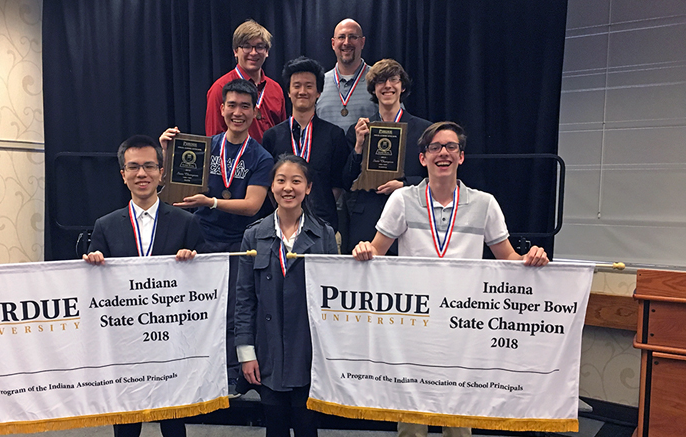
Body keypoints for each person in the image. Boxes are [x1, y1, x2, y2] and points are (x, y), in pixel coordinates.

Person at [352, 121, 549, 437]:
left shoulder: (484, 203)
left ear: (461, 157)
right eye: (435, 147)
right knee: (411, 427)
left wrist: (532, 258)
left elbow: (509, 258)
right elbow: (376, 251)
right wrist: (364, 249)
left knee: (458, 425)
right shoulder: (401, 201)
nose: (443, 153)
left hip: (462, 324)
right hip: (415, 323)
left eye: (451, 147)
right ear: (422, 158)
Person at [83, 135, 204, 437]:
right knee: (126, 419)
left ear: (162, 172)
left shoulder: (186, 222)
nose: (142, 174)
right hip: (125, 338)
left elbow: (203, 283)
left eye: (149, 166)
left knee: (173, 418)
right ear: (122, 174)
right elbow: (96, 290)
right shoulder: (105, 226)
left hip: (171, 335)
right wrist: (94, 263)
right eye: (133, 167)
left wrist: (194, 261)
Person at [161, 79, 273, 396]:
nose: (238, 112)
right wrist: (169, 153)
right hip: (202, 239)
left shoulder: (261, 157)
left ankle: (234, 376)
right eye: (232, 105)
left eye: (245, 106)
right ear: (222, 109)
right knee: (200, 308)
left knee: (238, 311)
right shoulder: (203, 147)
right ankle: (199, 372)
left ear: (255, 111)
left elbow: (252, 206)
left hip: (240, 244)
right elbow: (174, 194)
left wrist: (211, 201)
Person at [235, 154, 338, 437]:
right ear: (271, 187)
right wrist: (246, 354)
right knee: (275, 428)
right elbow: (244, 300)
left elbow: (335, 301)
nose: (288, 188)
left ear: (308, 188)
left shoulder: (325, 236)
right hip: (267, 354)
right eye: (281, 180)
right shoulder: (254, 236)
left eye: (296, 181)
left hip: (309, 354)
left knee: (307, 429)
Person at [343, 59, 431, 253]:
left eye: (393, 80)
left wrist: (405, 185)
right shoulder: (359, 130)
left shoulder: (425, 131)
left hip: (410, 217)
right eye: (381, 81)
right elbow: (346, 181)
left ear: (402, 86)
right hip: (367, 219)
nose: (388, 86)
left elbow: (435, 179)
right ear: (374, 89)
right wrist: (359, 146)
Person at [262, 56, 349, 232]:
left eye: (309, 86)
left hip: (323, 224)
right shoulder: (272, 136)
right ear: (288, 91)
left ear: (318, 92)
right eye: (297, 86)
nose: (303, 91)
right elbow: (269, 184)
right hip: (281, 225)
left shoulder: (334, 135)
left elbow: (337, 184)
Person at [205, 19, 286, 143]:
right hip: (235, 161)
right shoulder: (220, 88)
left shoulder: (276, 89)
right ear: (235, 51)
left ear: (267, 52)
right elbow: (214, 139)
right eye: (246, 46)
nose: (253, 53)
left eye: (259, 47)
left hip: (271, 161)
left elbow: (282, 134)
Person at [315, 18, 377, 129]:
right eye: (341, 37)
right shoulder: (319, 83)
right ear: (333, 43)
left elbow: (396, 123)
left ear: (362, 42)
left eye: (353, 37)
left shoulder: (379, 80)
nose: (347, 42)